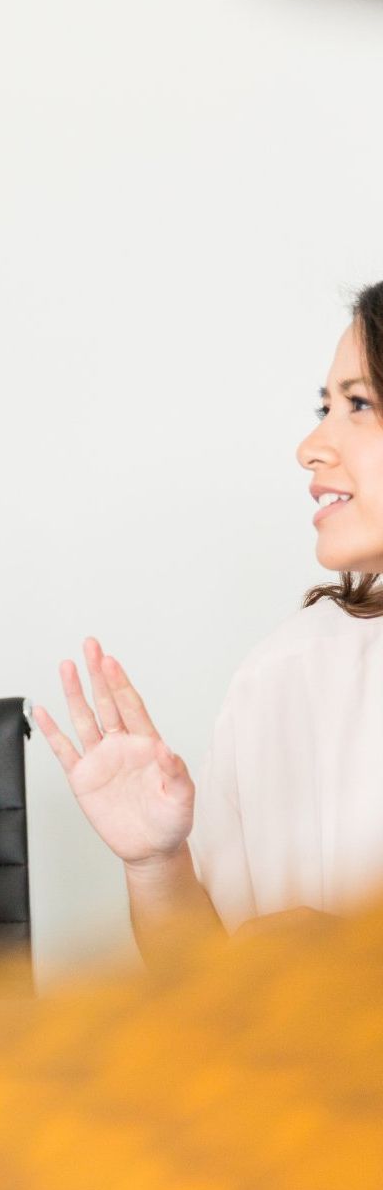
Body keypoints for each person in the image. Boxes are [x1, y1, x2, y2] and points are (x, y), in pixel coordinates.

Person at [34, 280, 383, 965]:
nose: (310, 446)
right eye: (325, 406)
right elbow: (200, 990)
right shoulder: (289, 675)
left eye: (360, 403)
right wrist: (156, 865)